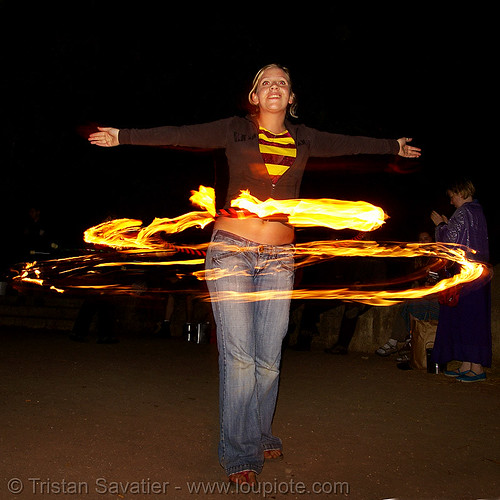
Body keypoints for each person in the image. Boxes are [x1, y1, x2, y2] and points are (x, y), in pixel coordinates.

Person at [89, 63, 421, 484]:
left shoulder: (306, 138)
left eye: (282, 82)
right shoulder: (233, 130)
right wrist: (122, 136)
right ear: (254, 95)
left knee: (268, 358)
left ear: (292, 97)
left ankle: (260, 432)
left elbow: (349, 143)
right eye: (266, 82)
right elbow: (178, 132)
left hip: (280, 258)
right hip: (231, 253)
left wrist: (393, 145)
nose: (275, 87)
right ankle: (239, 451)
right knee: (241, 357)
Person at [430, 178, 491, 382]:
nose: (451, 201)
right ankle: (468, 364)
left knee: (470, 319)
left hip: (468, 275)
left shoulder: (465, 212)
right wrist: (449, 224)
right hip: (476, 273)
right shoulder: (477, 211)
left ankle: (477, 368)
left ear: (461, 193)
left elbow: (450, 242)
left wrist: (440, 226)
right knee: (469, 319)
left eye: (452, 196)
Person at [376, 230, 440, 359]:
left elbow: (442, 280)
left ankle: (401, 342)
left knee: (411, 304)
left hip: (437, 297)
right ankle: (406, 342)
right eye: (420, 240)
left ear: (431, 240)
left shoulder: (438, 257)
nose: (423, 242)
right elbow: (415, 280)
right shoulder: (417, 258)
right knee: (409, 303)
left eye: (426, 239)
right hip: (424, 295)